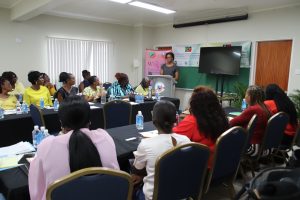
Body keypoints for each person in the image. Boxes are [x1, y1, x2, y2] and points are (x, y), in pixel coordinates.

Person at [28, 96, 119, 200]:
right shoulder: (105, 137)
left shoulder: (46, 145)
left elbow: (36, 191)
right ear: (89, 120)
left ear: (61, 122)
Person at [132, 100, 190, 200]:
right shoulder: (186, 140)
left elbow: (137, 169)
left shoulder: (145, 144)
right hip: (181, 194)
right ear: (176, 120)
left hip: (154, 196)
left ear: (153, 119)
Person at [173, 86, 229, 167]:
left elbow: (172, 138)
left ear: (195, 104)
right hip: (219, 165)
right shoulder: (220, 117)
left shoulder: (192, 121)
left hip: (201, 168)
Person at [230, 85, 271, 156]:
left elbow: (231, 123)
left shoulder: (253, 109)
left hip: (254, 148)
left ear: (250, 96)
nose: (245, 96)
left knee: (226, 141)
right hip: (267, 147)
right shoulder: (266, 107)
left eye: (246, 94)